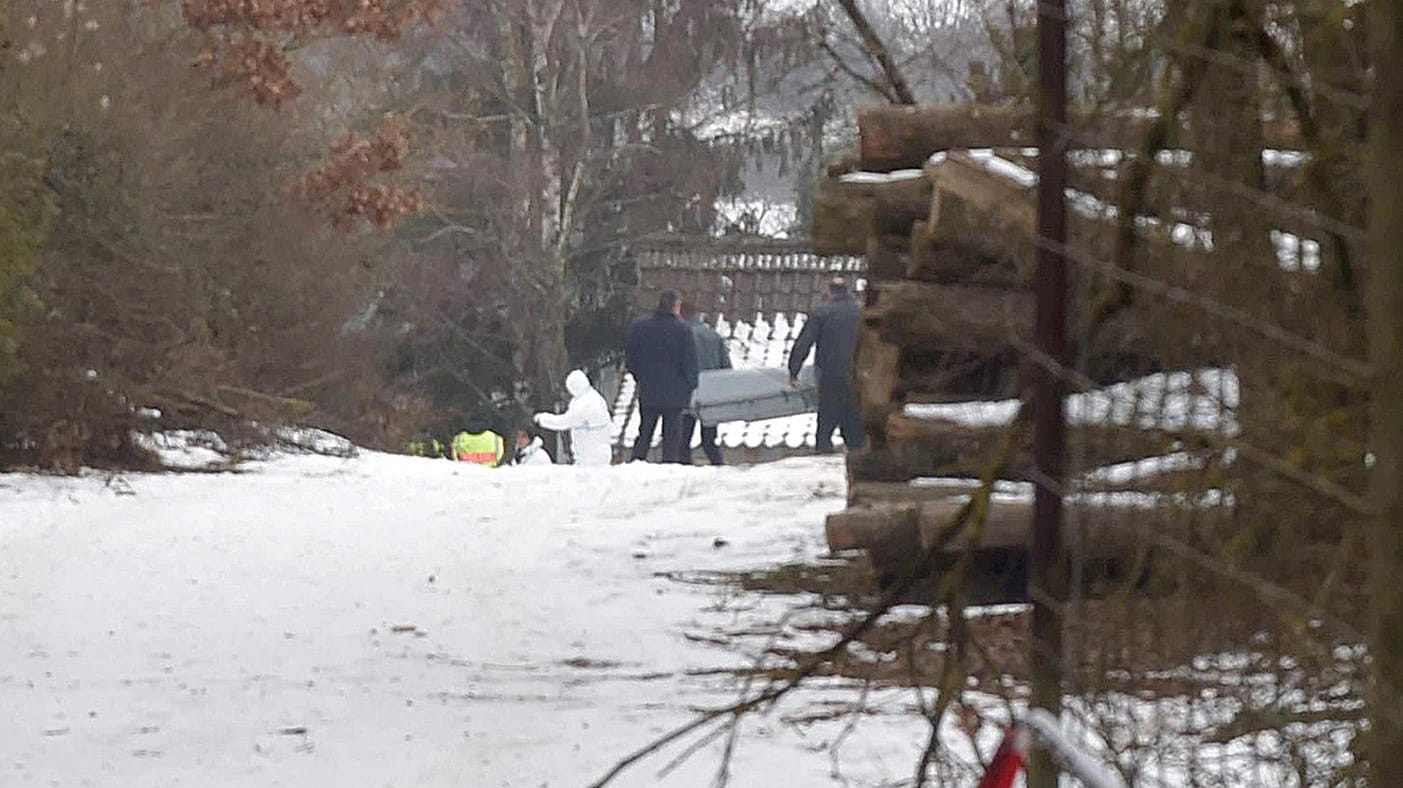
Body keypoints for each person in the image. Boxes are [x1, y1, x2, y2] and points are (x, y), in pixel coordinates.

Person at [788, 277, 865, 454]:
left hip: (830, 375)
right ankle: (858, 461)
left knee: (826, 424)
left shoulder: (821, 313)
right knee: (854, 423)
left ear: (829, 292)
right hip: (858, 375)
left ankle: (824, 457)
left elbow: (804, 343)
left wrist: (794, 371)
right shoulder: (861, 312)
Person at [624, 290, 699, 464]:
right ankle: (669, 467)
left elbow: (631, 359)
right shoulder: (683, 331)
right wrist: (689, 386)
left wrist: (640, 377)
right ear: (676, 307)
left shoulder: (640, 328)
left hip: (649, 389)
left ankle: (636, 463)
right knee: (672, 438)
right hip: (675, 393)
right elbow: (690, 363)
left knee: (645, 433)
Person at [679, 300, 730, 465]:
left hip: (687, 392)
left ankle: (683, 470)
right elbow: (727, 367)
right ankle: (719, 467)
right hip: (711, 394)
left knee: (682, 441)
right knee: (709, 440)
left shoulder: (682, 336)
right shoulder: (714, 336)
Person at [533, 369, 614, 466]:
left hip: (592, 457)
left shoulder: (586, 404)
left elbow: (564, 422)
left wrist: (542, 419)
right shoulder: (591, 396)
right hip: (589, 454)